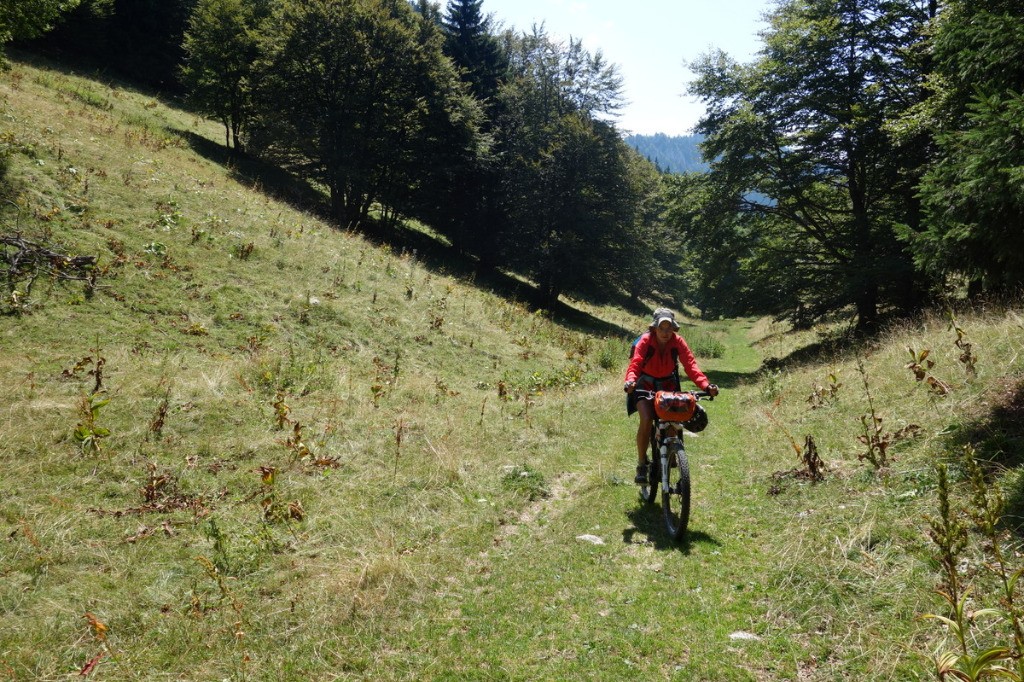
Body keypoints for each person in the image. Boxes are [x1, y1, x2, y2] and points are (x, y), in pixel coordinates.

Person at [623, 307, 719, 484]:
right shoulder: (645, 341)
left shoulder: (678, 342)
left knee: (673, 417)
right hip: (644, 383)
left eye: (669, 328)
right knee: (646, 418)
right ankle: (642, 464)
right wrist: (630, 381)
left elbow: (690, 365)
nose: (666, 333)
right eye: (662, 328)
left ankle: (672, 448)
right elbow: (635, 364)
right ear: (654, 328)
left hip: (668, 382)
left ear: (674, 328)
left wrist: (706, 385)